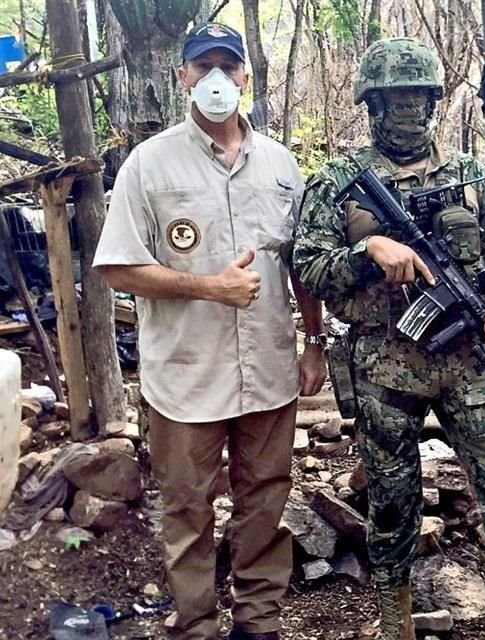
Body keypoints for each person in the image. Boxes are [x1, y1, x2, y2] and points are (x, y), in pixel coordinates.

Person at [293, 37, 485, 640]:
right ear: (372, 104)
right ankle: (396, 619)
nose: (407, 111)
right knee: (392, 496)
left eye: (417, 98)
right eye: (394, 99)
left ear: (434, 103)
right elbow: (309, 268)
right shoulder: (341, 181)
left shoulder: (471, 176)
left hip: (472, 357)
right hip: (382, 361)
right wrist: (367, 251)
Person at [93, 22, 327, 640]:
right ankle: (195, 623)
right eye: (204, 68)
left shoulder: (280, 164)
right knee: (187, 508)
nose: (217, 79)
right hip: (185, 374)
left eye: (229, 66)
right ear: (183, 78)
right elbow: (117, 266)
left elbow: (300, 261)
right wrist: (207, 287)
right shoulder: (149, 163)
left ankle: (259, 620)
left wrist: (315, 341)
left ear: (247, 77)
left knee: (265, 500)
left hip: (270, 368)